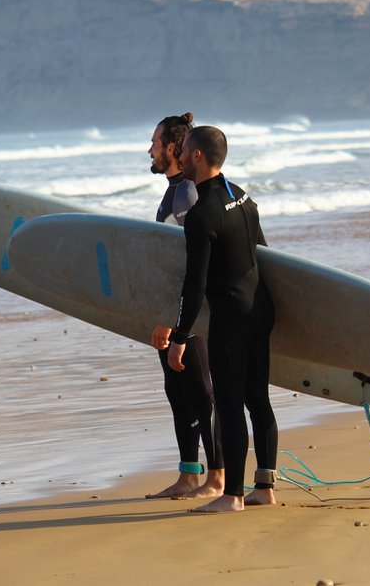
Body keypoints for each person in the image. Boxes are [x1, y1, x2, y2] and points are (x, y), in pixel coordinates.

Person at [162, 124, 278, 513]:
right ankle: (265, 487)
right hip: (260, 311)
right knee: (258, 399)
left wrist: (179, 338)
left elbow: (193, 287)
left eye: (184, 152)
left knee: (229, 405)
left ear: (196, 156)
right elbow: (265, 255)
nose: (178, 158)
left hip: (230, 320)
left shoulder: (200, 216)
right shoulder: (242, 197)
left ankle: (233, 497)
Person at [145, 113, 225, 500]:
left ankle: (218, 477)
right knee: (178, 393)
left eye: (156, 143)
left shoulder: (189, 196)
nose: (150, 150)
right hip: (173, 313)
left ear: (175, 149)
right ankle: (188, 474)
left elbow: (193, 268)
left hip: (189, 316)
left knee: (201, 393)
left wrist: (177, 321)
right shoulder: (174, 192)